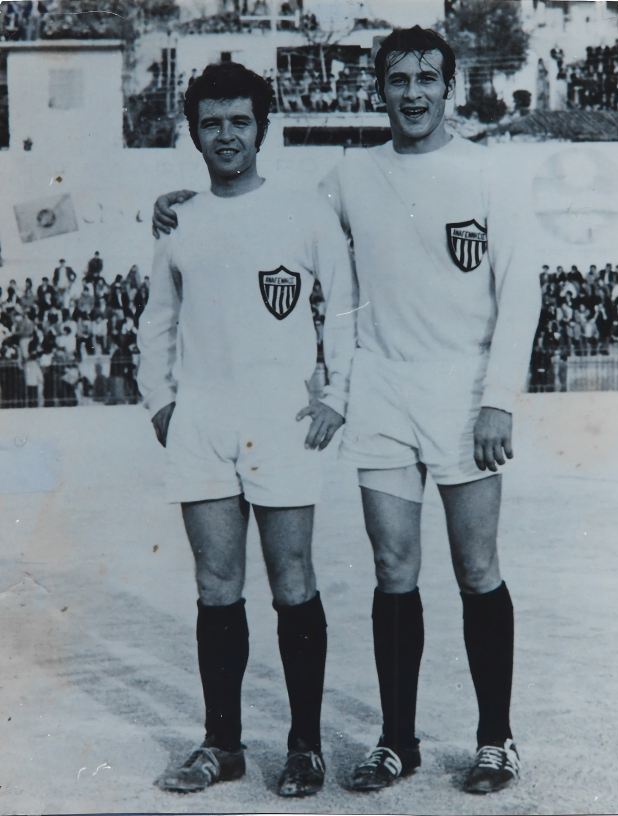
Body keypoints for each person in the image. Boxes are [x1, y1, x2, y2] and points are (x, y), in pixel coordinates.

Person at [152, 26, 540, 796]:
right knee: (393, 568)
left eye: (427, 79)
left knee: (476, 566)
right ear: (380, 89)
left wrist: (500, 398)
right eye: (398, 80)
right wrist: (178, 202)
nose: (413, 93)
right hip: (382, 394)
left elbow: (521, 292)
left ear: (450, 87)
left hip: (464, 393)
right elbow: (263, 207)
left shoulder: (490, 173)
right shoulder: (351, 176)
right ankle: (398, 742)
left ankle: (496, 740)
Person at [140, 62, 355, 797]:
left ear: (263, 128)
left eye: (239, 121)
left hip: (281, 419)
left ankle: (305, 747)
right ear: (193, 133)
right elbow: (155, 325)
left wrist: (338, 396)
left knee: (293, 582)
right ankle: (222, 743)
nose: (226, 135)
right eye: (211, 123)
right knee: (216, 584)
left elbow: (345, 309)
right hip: (202, 423)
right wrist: (161, 405)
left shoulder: (304, 212)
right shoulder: (180, 221)